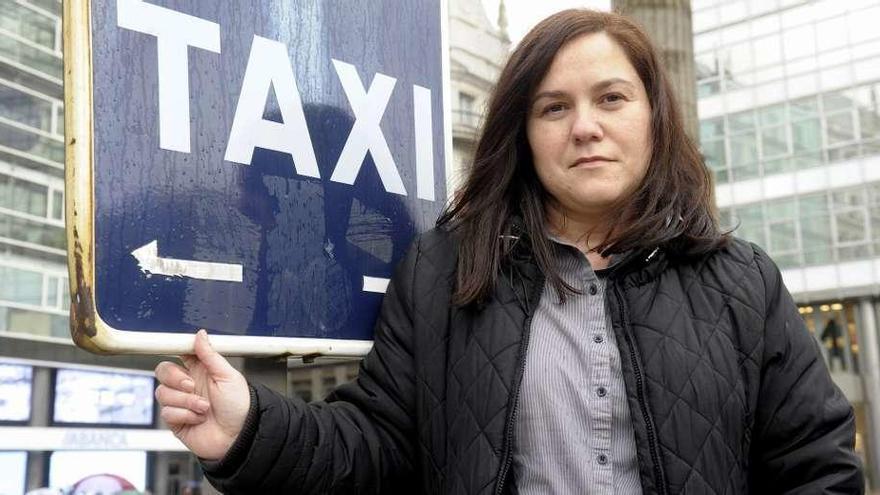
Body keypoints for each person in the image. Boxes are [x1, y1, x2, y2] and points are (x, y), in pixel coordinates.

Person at [154, 9, 863, 494]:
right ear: (523, 132)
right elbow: (376, 449)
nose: (584, 126)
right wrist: (251, 428)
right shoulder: (443, 269)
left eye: (611, 98)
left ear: (654, 116)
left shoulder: (741, 280)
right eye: (554, 107)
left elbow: (817, 465)